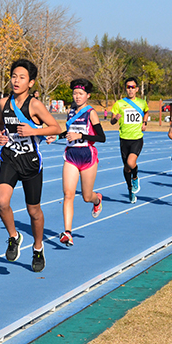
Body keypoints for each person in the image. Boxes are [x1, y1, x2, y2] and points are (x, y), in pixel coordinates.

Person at [0, 59, 62, 272]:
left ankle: (38, 248)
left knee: (33, 211)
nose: (16, 81)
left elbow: (56, 128)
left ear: (31, 82)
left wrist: (34, 131)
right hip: (10, 158)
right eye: (14, 76)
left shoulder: (34, 105)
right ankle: (14, 237)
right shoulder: (3, 103)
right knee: (2, 202)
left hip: (31, 162)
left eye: (22, 77)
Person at [46, 79, 106, 247]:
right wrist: (57, 136)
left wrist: (81, 137)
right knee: (68, 194)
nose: (77, 96)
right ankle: (67, 232)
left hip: (87, 157)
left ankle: (97, 200)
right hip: (71, 156)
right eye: (75, 93)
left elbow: (102, 137)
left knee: (87, 196)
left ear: (87, 95)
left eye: (80, 94)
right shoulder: (71, 111)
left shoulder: (91, 113)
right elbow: (70, 132)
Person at [110, 77, 149, 204]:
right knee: (126, 167)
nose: (130, 89)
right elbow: (112, 121)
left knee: (131, 163)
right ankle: (130, 188)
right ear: (126, 89)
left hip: (137, 138)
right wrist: (115, 118)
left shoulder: (142, 103)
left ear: (137, 89)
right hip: (124, 139)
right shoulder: (119, 104)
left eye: (133, 87)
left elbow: (146, 112)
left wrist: (144, 122)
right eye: (128, 87)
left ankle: (136, 178)